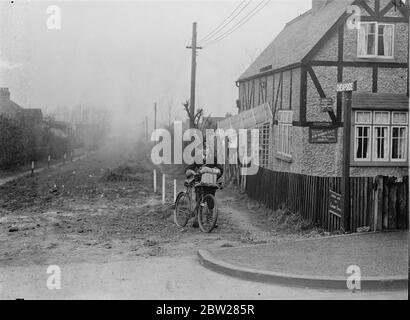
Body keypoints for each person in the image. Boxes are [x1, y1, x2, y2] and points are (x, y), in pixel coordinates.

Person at [184, 149, 223, 227]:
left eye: (207, 149)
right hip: (199, 183)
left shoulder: (213, 158)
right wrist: (190, 171)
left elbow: (220, 169)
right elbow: (190, 168)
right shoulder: (197, 158)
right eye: (204, 148)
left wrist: (218, 172)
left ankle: (210, 221)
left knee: (211, 202)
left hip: (210, 183)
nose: (206, 151)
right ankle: (198, 219)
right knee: (199, 200)